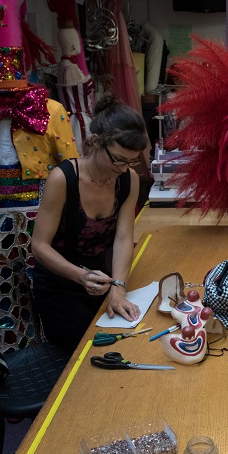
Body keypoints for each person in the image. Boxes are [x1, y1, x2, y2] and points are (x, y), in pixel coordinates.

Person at [32, 94, 146, 351]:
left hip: (100, 279)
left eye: (132, 161)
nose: (123, 167)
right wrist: (81, 276)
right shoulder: (63, 179)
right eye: (118, 159)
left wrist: (118, 286)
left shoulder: (128, 180)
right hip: (60, 284)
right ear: (96, 142)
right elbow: (39, 246)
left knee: (120, 341)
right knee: (85, 353)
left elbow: (123, 238)